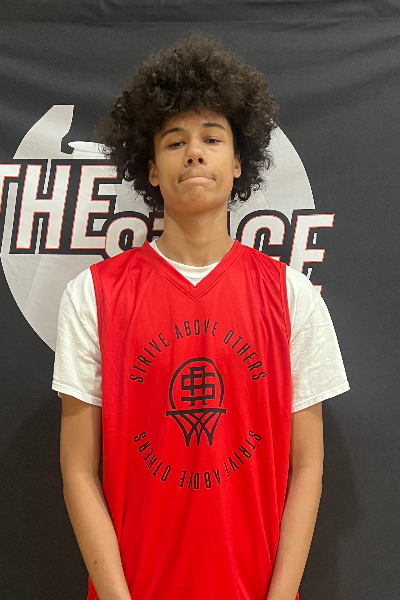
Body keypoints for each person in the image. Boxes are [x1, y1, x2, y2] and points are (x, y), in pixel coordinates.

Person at [52, 33, 350, 600]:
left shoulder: (292, 296)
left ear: (238, 163)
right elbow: (78, 470)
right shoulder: (92, 296)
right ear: (151, 169)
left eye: (212, 138)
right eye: (175, 141)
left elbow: (307, 467)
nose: (194, 152)